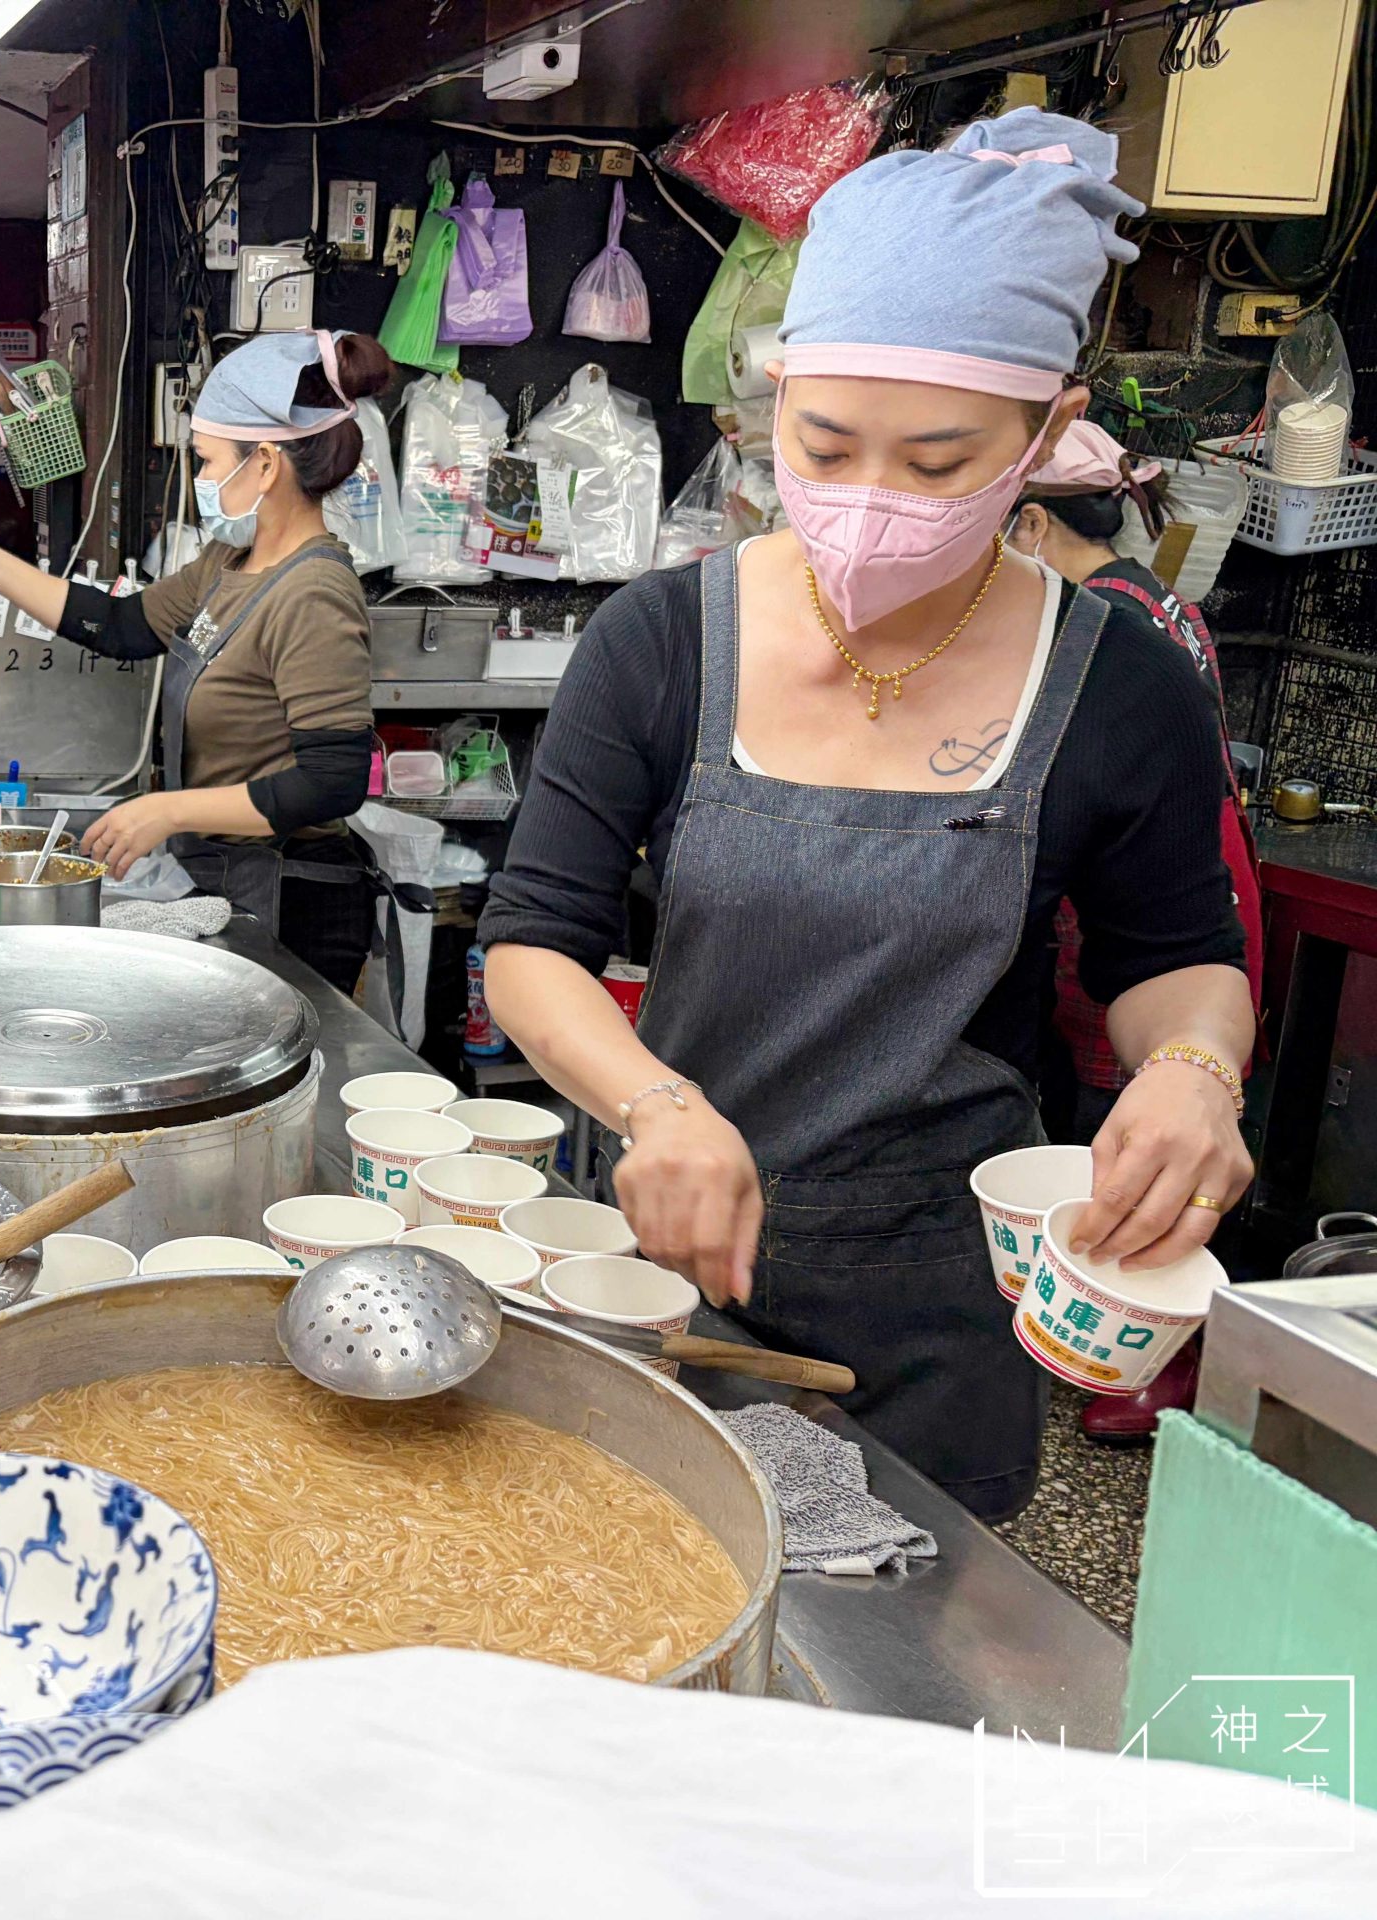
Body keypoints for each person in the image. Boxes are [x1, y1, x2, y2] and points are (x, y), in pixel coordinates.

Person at [479, 111, 1253, 1521]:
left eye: (940, 461)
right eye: (824, 445)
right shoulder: (661, 643)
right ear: (771, 405)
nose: (868, 501)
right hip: (655, 1261)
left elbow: (1173, 960)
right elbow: (533, 942)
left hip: (934, 1305)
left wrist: (1194, 1074)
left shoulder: (1119, 685)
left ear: (1049, 432)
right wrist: (655, 1103)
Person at [0, 330, 395, 992]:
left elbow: (332, 782)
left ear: (267, 465)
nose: (203, 481)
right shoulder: (227, 563)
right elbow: (121, 627)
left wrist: (169, 809)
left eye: (210, 462)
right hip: (218, 875)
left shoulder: (315, 592)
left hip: (292, 899)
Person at [1010, 432, 1266, 1443]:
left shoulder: (1098, 632)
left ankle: (1144, 1345)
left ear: (1029, 522)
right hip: (1210, 892)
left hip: (1140, 917)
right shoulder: (1164, 601)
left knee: (1137, 1145)